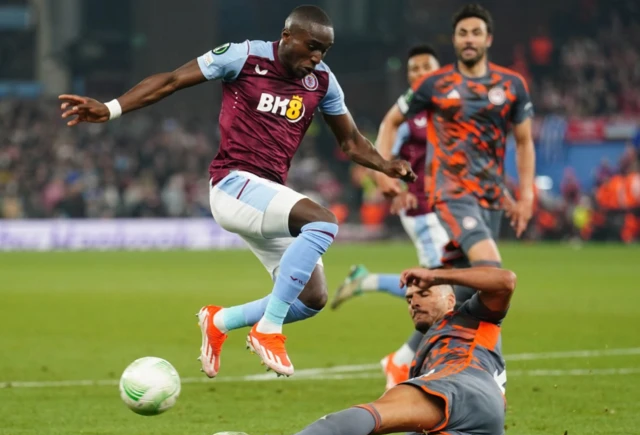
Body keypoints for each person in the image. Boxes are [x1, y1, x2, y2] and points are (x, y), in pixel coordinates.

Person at [59, 5, 414, 378]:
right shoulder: (243, 56)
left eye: (324, 50)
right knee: (323, 223)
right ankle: (268, 329)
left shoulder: (322, 80)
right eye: (311, 46)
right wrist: (110, 108)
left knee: (312, 298)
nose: (317, 57)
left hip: (266, 194)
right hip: (232, 184)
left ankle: (220, 321)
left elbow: (352, 142)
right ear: (287, 36)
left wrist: (385, 164)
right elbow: (171, 81)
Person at [207, 266, 579, 435]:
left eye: (424, 294)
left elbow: (506, 281)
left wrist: (434, 273)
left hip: (464, 385)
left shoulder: (468, 315)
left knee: (376, 410)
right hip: (485, 426)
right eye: (409, 299)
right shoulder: (427, 359)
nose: (414, 301)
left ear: (450, 298)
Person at [376, 3, 536, 306]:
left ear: (488, 39)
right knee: (492, 272)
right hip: (451, 192)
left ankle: (429, 334)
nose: (469, 39)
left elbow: (525, 142)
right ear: (454, 40)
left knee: (470, 287)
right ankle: (440, 299)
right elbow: (390, 122)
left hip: (490, 196)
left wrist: (526, 197)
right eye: (463, 33)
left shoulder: (512, 85)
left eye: (476, 33)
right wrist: (384, 172)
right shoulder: (433, 84)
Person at [330, 44, 449, 390]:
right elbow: (380, 152)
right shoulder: (408, 115)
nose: (419, 73)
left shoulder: (447, 108)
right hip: (422, 208)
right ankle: (401, 361)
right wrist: (390, 185)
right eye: (413, 69)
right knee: (442, 288)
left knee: (447, 286)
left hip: (447, 209)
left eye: (426, 66)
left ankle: (366, 282)